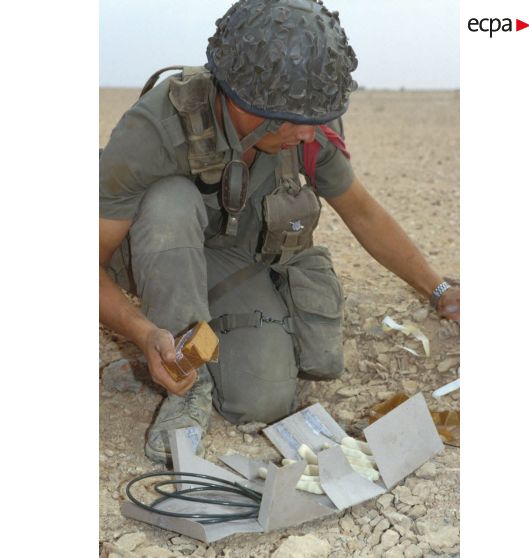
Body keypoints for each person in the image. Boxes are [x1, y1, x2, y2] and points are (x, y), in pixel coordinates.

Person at [99, 0, 460, 464]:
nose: (308, 136)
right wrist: (143, 332)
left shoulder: (306, 123)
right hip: (160, 252)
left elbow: (363, 213)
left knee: (263, 401)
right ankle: (184, 384)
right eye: (293, 121)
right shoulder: (155, 129)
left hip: (235, 262)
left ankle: (168, 358)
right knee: (170, 201)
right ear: (238, 99)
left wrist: (439, 290)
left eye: (314, 121)